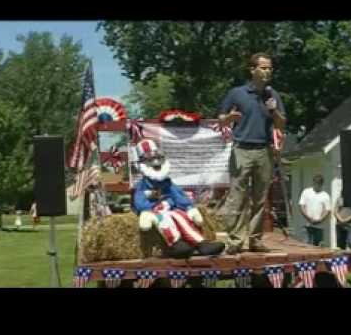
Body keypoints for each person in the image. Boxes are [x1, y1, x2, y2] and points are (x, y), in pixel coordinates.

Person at [216, 52, 286, 255]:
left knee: (259, 198)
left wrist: (274, 111)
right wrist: (229, 117)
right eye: (263, 68)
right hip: (241, 149)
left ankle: (255, 240)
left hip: (264, 150)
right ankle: (235, 241)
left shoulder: (273, 95)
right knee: (237, 196)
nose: (267, 72)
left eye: (270, 68)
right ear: (252, 69)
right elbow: (220, 119)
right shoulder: (237, 93)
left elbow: (281, 124)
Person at [133, 138, 225, 259]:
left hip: (172, 209)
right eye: (150, 160)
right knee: (164, 220)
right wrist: (146, 212)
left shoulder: (168, 182)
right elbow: (140, 202)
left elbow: (178, 195)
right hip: (156, 211)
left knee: (181, 216)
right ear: (142, 164)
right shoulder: (142, 185)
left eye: (158, 158)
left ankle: (201, 243)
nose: (156, 162)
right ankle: (175, 244)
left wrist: (188, 207)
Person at [298, 174, 331, 246]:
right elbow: (301, 206)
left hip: (319, 227)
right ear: (313, 182)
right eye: (315, 182)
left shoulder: (325, 195)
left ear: (322, 184)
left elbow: (327, 210)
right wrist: (308, 218)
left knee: (317, 247)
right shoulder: (306, 192)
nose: (317, 185)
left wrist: (320, 219)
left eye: (319, 183)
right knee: (305, 245)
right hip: (306, 225)